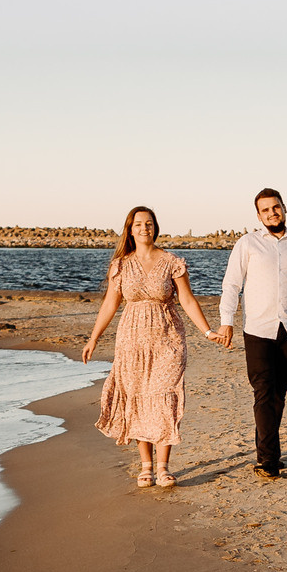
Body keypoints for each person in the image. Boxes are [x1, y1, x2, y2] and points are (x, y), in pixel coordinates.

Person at [82, 204, 218, 489]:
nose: (145, 228)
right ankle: (145, 465)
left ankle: (164, 466)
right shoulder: (120, 265)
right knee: (138, 397)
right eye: (138, 224)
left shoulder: (172, 262)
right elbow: (111, 302)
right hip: (131, 341)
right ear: (130, 230)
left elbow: (188, 300)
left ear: (156, 227)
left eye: (149, 223)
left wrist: (207, 331)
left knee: (164, 397)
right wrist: (94, 337)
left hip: (168, 338)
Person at [215, 187, 287, 478]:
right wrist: (226, 320)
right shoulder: (247, 244)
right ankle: (268, 460)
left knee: (278, 396)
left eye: (275, 207)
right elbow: (231, 284)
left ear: (284, 209)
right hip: (257, 329)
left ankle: (268, 452)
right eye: (265, 210)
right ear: (258, 215)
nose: (272, 213)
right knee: (263, 392)